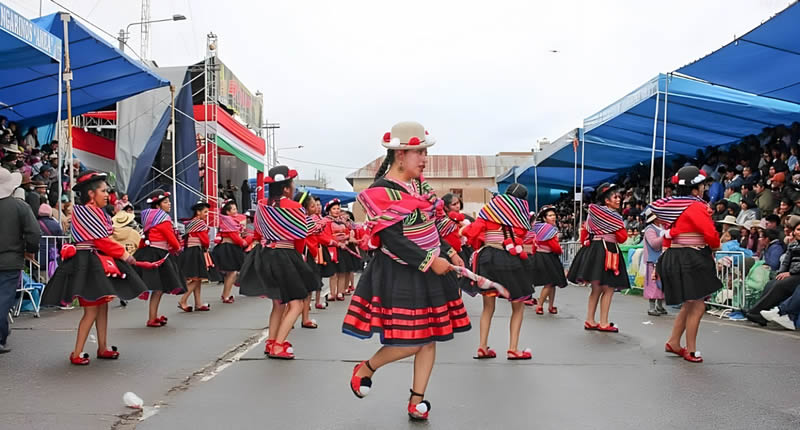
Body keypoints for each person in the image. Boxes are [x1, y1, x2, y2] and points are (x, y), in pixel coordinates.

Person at [342, 122, 469, 421]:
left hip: (429, 265)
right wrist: (430, 260)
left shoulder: (420, 186)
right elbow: (392, 239)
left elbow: (431, 225)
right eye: (419, 152)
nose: (424, 159)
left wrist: (450, 252)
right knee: (410, 339)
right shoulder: (380, 192)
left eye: (425, 152)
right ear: (400, 154)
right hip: (401, 269)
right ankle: (367, 367)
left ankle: (417, 400)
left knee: (430, 336)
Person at [40, 170, 147, 365]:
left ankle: (103, 347)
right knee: (90, 310)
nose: (107, 195)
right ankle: (77, 352)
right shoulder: (87, 212)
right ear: (91, 194)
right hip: (87, 262)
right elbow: (102, 241)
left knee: (102, 306)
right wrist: (125, 255)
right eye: (104, 191)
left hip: (92, 261)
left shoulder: (94, 212)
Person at [238, 165, 319, 359]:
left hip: (265, 254)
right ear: (285, 188)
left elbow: (257, 232)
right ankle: (279, 344)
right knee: (297, 303)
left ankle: (271, 341)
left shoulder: (262, 205)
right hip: (285, 255)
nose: (293, 188)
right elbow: (300, 237)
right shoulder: (295, 207)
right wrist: (298, 258)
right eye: (291, 184)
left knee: (278, 304)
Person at [651, 166, 721, 363]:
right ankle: (691, 349)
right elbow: (710, 234)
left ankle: (674, 342)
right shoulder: (696, 206)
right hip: (691, 257)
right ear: (694, 189)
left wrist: (659, 264)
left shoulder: (671, 207)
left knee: (689, 304)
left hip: (673, 256)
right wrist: (715, 246)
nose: (704, 189)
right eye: (702, 186)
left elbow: (667, 237)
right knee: (698, 306)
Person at [463, 183, 534, 360]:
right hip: (512, 259)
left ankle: (482, 347)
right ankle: (513, 348)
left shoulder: (488, 212)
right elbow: (524, 239)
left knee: (488, 307)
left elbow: (473, 233)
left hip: (488, 258)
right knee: (518, 305)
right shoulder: (522, 217)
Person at [567, 182, 629, 333]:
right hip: (608, 251)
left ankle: (590, 320)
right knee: (608, 288)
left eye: (619, 197)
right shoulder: (615, 217)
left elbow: (584, 235)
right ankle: (604, 322)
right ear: (606, 200)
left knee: (596, 288)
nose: (618, 199)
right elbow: (622, 238)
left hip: (594, 251)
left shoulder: (592, 214)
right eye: (615, 197)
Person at [0, 167, 40, 353]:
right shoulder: (20, 207)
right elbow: (33, 233)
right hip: (10, 260)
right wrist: (31, 250)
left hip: (10, 259)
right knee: (4, 299)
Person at [134, 190, 185, 327]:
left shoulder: (149, 218)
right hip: (159, 253)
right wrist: (178, 248)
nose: (169, 204)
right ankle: (151, 318)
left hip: (150, 251)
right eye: (165, 202)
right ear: (158, 205)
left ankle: (154, 315)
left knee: (158, 288)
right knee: (158, 288)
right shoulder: (163, 219)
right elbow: (172, 239)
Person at [746, 217, 800, 325]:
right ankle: (758, 313)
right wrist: (781, 272)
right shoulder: (793, 244)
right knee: (771, 283)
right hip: (791, 273)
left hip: (797, 274)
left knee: (782, 284)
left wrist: (791, 273)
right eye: (798, 229)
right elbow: (786, 262)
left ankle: (757, 312)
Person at [177, 201, 219, 312]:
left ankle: (198, 303)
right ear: (198, 212)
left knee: (198, 278)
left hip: (190, 251)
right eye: (205, 212)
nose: (206, 214)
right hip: (195, 251)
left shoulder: (191, 223)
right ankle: (183, 300)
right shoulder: (200, 224)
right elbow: (205, 241)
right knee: (195, 279)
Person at [295, 191, 326, 326]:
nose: (317, 208)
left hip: (308, 254)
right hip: (304, 255)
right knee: (304, 290)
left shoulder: (312, 220)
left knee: (306, 290)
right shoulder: (304, 221)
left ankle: (303, 318)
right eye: (313, 206)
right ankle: (300, 318)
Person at [530, 205, 568, 315]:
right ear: (544, 218)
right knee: (549, 283)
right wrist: (560, 250)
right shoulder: (549, 230)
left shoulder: (538, 228)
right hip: (548, 257)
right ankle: (540, 305)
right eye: (550, 215)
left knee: (552, 282)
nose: (553, 217)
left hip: (539, 256)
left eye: (554, 215)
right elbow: (554, 246)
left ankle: (550, 306)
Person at [212, 199, 247, 304]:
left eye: (236, 208)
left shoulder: (227, 221)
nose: (236, 211)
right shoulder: (228, 222)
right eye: (234, 209)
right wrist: (244, 242)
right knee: (232, 273)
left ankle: (225, 294)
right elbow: (235, 237)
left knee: (231, 273)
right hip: (229, 248)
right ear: (227, 212)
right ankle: (226, 296)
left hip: (229, 247)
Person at [322, 199, 357, 301]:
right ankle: (332, 293)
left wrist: (346, 239)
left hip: (343, 248)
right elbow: (326, 235)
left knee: (342, 271)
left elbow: (348, 232)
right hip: (332, 248)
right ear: (329, 210)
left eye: (338, 208)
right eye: (334, 209)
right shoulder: (326, 221)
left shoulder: (343, 222)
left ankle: (340, 292)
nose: (337, 211)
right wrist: (337, 242)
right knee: (334, 273)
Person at [641, 209, 667, 316]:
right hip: (653, 260)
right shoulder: (649, 230)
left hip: (663, 259)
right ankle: (651, 307)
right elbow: (654, 244)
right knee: (653, 284)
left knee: (662, 284)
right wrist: (665, 236)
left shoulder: (662, 228)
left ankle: (660, 306)